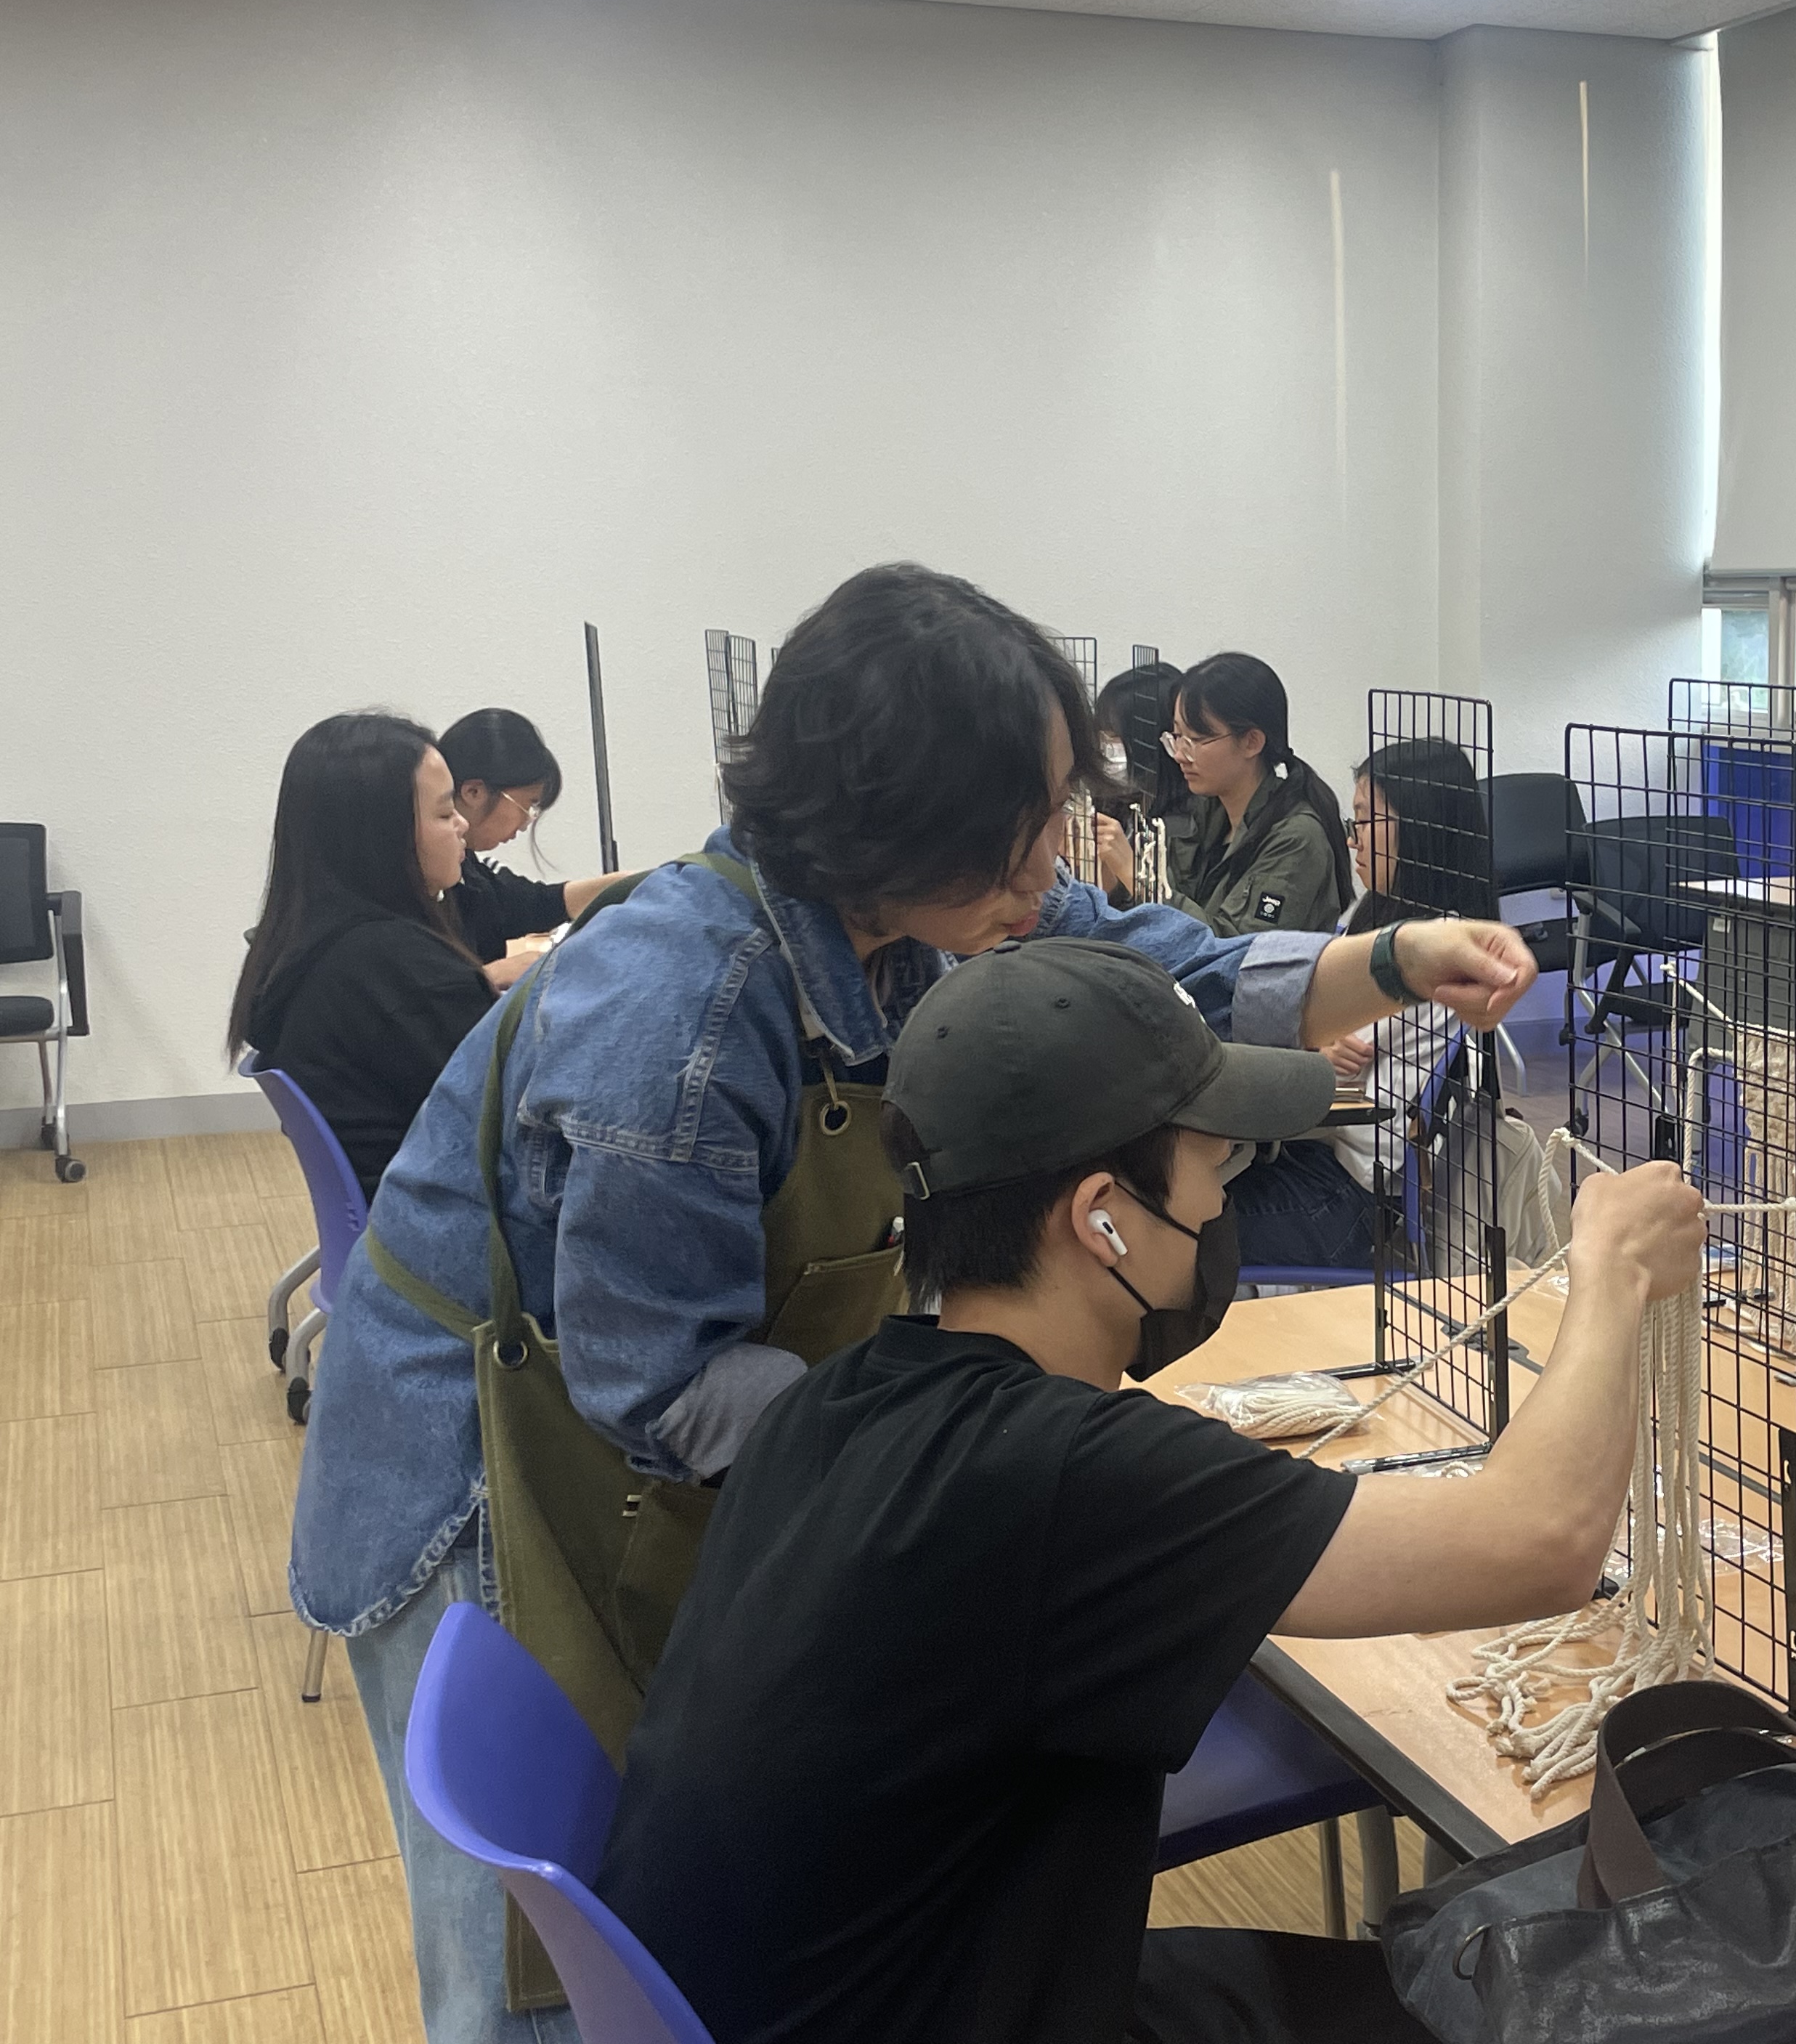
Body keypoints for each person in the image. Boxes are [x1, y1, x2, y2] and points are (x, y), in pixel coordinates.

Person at [287, 564, 1538, 2044]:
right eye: (1023, 832)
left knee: (689, 1874)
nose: (1048, 868)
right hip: (483, 1467)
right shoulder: (682, 1009)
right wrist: (966, 1473)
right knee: (544, 1954)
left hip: (651, 1430)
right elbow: (660, 1383)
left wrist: (1391, 958)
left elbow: (1151, 981)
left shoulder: (921, 906)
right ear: (896, 822)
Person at [593, 937, 1705, 2044]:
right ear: (1103, 1217)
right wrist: (1610, 1268)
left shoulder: (838, 1401)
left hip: (869, 1989)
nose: (1222, 1204)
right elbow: (1540, 1541)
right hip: (950, 2011)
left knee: (1435, 1981)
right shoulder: (1061, 1474)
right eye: (1212, 1166)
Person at [1232, 737, 1499, 1271]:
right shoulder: (1373, 911)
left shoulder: (1436, 949)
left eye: (1366, 820)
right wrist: (1313, 1042)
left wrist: (1311, 1044)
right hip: (1314, 1157)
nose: (1353, 839)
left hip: (1346, 1194)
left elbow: (1324, 1046)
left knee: (1170, 1229)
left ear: (1422, 829)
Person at [228, 713, 495, 1201]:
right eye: (443, 814)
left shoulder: (304, 944)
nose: (462, 825)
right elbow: (516, 1115)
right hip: (441, 1224)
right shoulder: (399, 970)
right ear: (382, 837)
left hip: (391, 1211)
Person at [1158, 652, 1351, 936]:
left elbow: (1235, 948)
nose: (1179, 755)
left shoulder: (1296, 839)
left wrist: (1145, 880)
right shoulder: (1209, 810)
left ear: (1252, 742)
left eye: (1196, 740)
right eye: (1177, 737)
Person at [434, 709, 617, 986]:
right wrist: (492, 975)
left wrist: (632, 883)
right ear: (473, 792)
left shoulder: (469, 872)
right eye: (528, 805)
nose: (525, 823)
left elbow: (531, 903)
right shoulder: (414, 883)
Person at [1089, 662, 1195, 905]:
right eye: (1100, 735)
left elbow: (1174, 916)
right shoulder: (1121, 806)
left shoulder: (1183, 828)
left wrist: (1129, 872)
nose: (1103, 748)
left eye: (1114, 738)